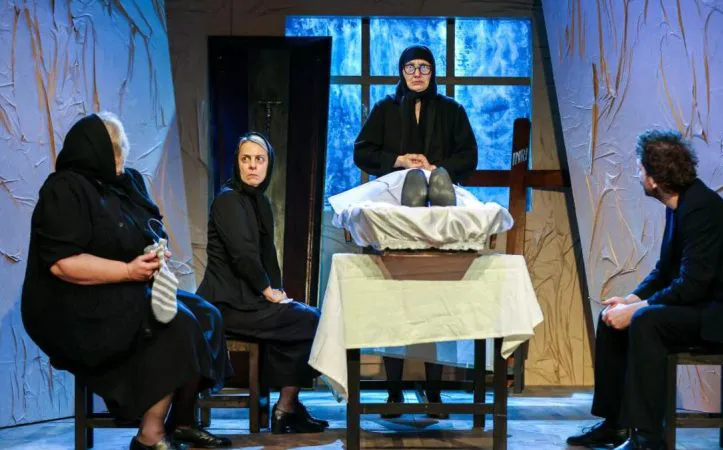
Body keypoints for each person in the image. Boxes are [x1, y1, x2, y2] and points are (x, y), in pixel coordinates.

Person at [21, 113, 233, 450]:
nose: (121, 156)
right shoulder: (65, 188)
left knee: (208, 315)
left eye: (121, 148)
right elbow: (62, 265)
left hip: (127, 288)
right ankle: (150, 435)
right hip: (72, 303)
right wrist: (128, 271)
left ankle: (182, 422)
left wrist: (156, 251)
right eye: (114, 150)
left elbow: (151, 225)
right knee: (176, 323)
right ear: (93, 150)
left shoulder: (127, 182)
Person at [567, 130, 723, 450]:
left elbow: (692, 285)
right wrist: (630, 300)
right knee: (612, 318)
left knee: (646, 321)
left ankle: (648, 438)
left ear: (654, 179)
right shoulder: (680, 206)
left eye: (640, 169)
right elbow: (664, 270)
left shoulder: (701, 209)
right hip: (707, 305)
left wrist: (636, 311)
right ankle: (616, 424)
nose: (638, 176)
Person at [353, 44, 479, 418]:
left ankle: (434, 394)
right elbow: (362, 151)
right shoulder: (385, 108)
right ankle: (393, 393)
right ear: (401, 71)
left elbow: (469, 157)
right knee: (395, 304)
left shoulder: (452, 110)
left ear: (433, 71)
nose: (418, 73)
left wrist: (435, 168)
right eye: (411, 67)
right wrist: (398, 160)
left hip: (437, 213)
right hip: (394, 212)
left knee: (432, 305)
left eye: (424, 67)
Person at [197, 132, 327, 434]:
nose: (253, 166)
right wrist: (268, 291)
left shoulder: (259, 202)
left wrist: (278, 295)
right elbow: (243, 255)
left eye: (259, 159)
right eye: (246, 159)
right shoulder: (229, 201)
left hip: (250, 302)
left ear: (269, 164)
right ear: (237, 163)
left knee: (306, 318)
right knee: (311, 319)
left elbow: (268, 259)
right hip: (226, 304)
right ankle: (286, 408)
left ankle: (287, 407)